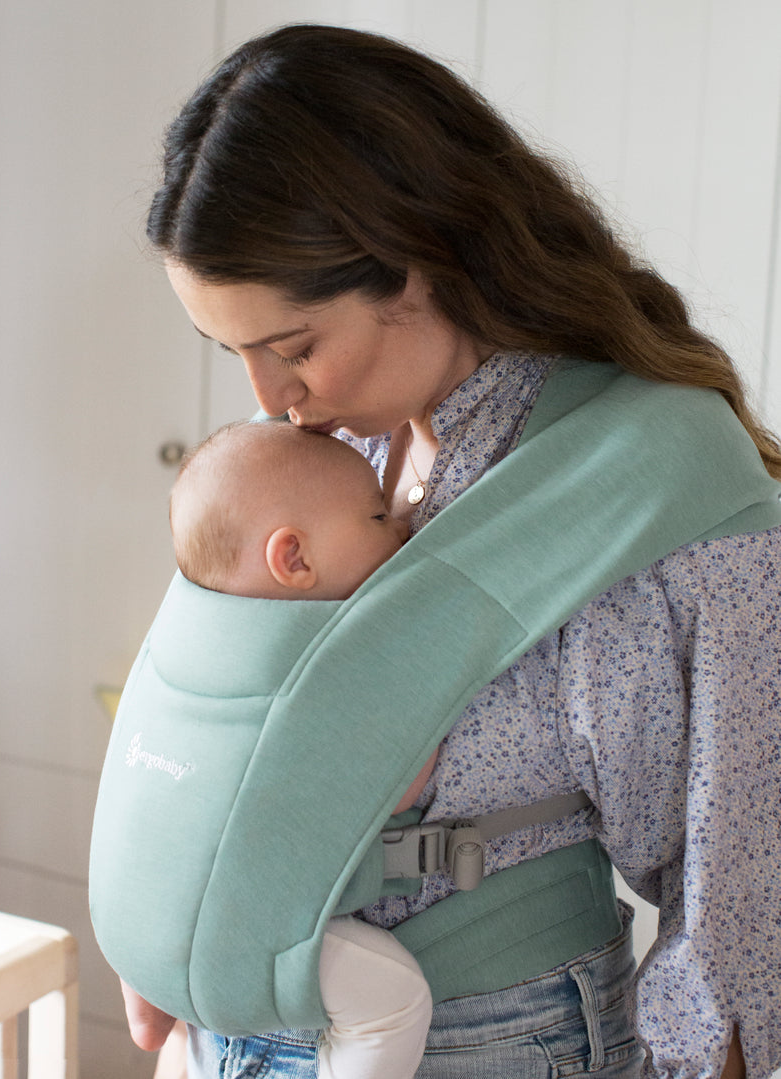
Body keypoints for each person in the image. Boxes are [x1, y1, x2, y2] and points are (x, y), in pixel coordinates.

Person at [139, 22, 781, 1079]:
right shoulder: (338, 448)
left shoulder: (643, 479)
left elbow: (740, 886)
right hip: (240, 1006)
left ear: (422, 258)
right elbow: (221, 698)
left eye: (293, 347)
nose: (269, 400)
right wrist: (169, 914)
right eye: (235, 352)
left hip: (484, 1033)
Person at [120, 419, 437, 1079]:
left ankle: (152, 1010)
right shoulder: (323, 670)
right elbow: (396, 792)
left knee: (159, 926)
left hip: (140, 906)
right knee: (395, 999)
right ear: (294, 557)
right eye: (378, 515)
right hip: (245, 919)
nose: (401, 526)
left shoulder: (185, 643)